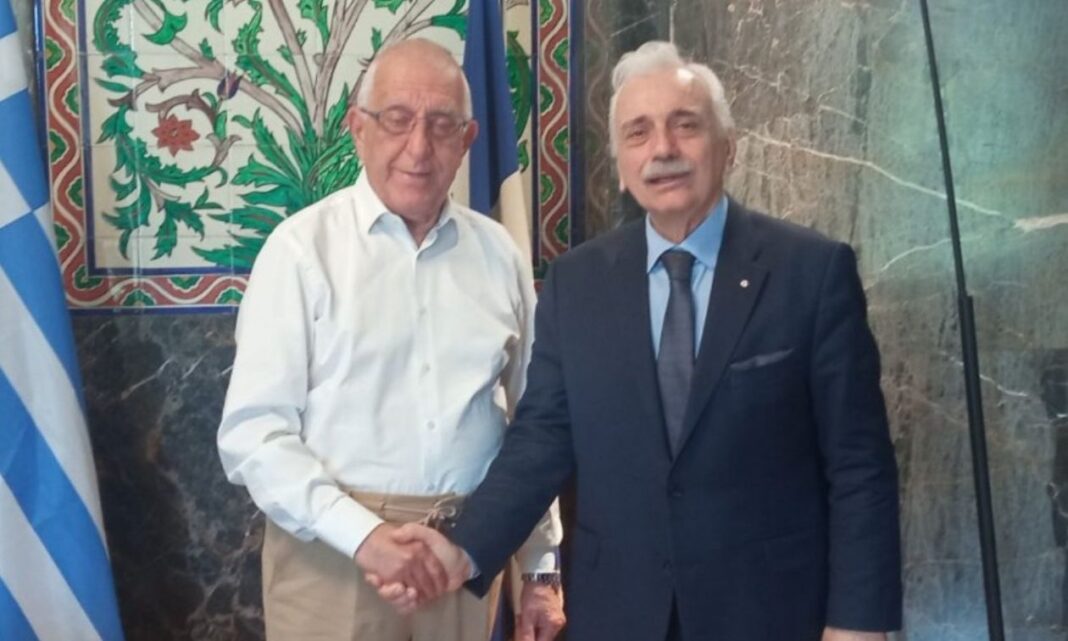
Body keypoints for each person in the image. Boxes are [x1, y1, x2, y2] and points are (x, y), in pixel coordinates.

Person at [379, 40, 902, 641]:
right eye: (638, 132)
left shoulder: (810, 273)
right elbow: (541, 440)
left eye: (686, 125)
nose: (663, 149)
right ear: (622, 167)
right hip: (620, 612)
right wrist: (463, 550)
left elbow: (860, 468)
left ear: (727, 146)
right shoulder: (577, 283)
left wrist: (858, 623)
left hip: (769, 612)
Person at [217, 38, 564, 641]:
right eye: (397, 120)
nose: (418, 148)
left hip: (463, 561)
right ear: (358, 128)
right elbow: (253, 435)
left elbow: (536, 422)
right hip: (332, 566)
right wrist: (366, 537)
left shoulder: (500, 256)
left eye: (441, 125)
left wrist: (540, 568)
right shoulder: (299, 252)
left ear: (468, 139)